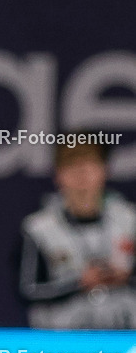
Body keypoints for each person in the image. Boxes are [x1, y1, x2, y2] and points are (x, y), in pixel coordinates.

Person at [19, 136, 136, 329]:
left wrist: (126, 277)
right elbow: (28, 290)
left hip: (127, 340)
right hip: (63, 343)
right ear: (58, 175)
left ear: (104, 170)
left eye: (90, 165)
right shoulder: (38, 228)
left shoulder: (130, 219)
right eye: (72, 165)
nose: (82, 174)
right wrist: (78, 283)